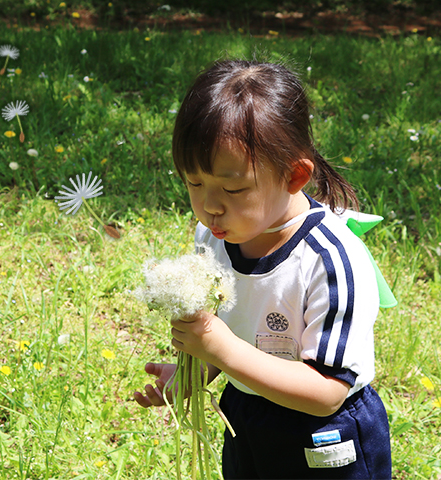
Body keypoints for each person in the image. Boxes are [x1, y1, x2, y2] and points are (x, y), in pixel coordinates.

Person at [133, 59, 392, 479]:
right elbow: (232, 327)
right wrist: (193, 372)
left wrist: (223, 350)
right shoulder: (213, 236)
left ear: (295, 175)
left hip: (325, 435)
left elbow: (326, 392)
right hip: (247, 414)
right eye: (193, 183)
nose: (210, 205)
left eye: (233, 188)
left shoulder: (330, 261)